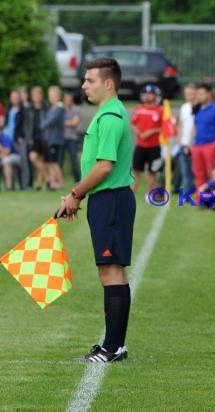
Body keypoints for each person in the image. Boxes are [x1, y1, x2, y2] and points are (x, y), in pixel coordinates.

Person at [57, 57, 136, 363]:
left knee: (112, 269)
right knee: (109, 270)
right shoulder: (105, 114)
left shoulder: (112, 117)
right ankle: (114, 344)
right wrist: (76, 195)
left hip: (111, 200)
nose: (83, 85)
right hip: (104, 200)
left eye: (89, 80)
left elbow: (104, 167)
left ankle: (114, 347)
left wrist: (77, 193)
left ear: (108, 83)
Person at [191, 83, 215, 199]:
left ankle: (212, 198)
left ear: (209, 94)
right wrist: (192, 143)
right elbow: (195, 127)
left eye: (202, 93)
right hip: (197, 145)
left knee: (212, 173)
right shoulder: (198, 110)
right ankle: (200, 198)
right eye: (198, 94)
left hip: (209, 145)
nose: (199, 96)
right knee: (198, 173)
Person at [131, 84, 163, 196]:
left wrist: (152, 131)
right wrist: (139, 133)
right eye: (146, 94)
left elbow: (164, 127)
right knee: (136, 171)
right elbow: (133, 123)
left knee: (152, 172)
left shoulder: (160, 110)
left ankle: (149, 194)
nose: (148, 96)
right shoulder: (139, 108)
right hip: (140, 145)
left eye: (150, 94)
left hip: (154, 146)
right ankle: (132, 193)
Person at [24, 86, 49, 190]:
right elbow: (26, 124)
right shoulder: (29, 108)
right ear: (32, 96)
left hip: (44, 137)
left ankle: (39, 184)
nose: (36, 97)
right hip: (33, 138)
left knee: (41, 160)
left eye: (38, 94)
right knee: (33, 157)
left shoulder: (46, 107)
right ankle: (48, 178)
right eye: (34, 95)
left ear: (41, 96)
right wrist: (27, 137)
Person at [41, 85, 65, 190]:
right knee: (50, 163)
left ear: (58, 96)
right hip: (49, 139)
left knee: (55, 163)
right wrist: (47, 123)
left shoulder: (60, 108)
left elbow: (51, 121)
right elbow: (44, 122)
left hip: (56, 139)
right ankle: (52, 183)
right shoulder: (51, 109)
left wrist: (47, 123)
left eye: (53, 96)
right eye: (50, 96)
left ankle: (61, 183)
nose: (51, 98)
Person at [177, 84, 197, 194]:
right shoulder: (184, 107)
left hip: (194, 144)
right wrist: (180, 140)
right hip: (184, 144)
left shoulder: (198, 108)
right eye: (186, 94)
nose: (188, 96)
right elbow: (180, 124)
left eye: (191, 93)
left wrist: (191, 143)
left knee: (195, 171)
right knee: (185, 172)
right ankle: (186, 194)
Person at [61, 91, 81, 183]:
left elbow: (75, 123)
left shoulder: (76, 110)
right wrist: (70, 122)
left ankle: (77, 180)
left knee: (74, 159)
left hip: (72, 138)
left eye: (69, 99)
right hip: (61, 138)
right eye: (66, 99)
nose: (68, 101)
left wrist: (63, 122)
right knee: (59, 160)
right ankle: (59, 181)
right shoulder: (60, 109)